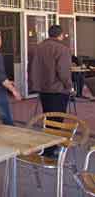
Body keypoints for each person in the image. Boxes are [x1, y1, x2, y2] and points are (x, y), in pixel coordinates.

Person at [30, 25, 72, 156]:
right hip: (58, 90)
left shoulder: (38, 48)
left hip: (43, 90)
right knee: (57, 121)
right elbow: (64, 72)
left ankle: (48, 147)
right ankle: (51, 150)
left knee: (47, 118)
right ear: (60, 35)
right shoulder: (62, 49)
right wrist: (69, 86)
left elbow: (31, 68)